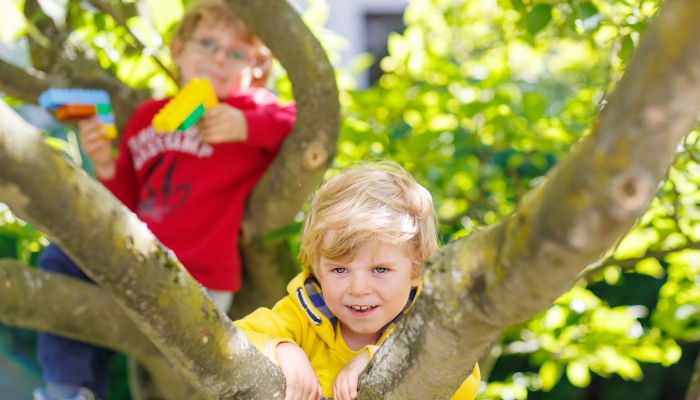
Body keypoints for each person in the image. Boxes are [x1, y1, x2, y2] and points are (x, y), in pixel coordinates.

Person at [34, 0, 296, 398]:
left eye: (236, 54)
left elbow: (300, 126)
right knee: (62, 256)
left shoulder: (249, 108)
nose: (218, 59)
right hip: (134, 256)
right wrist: (104, 164)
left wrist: (245, 124)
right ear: (179, 49)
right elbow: (125, 201)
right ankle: (70, 390)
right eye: (206, 44)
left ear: (257, 72)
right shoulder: (147, 117)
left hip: (198, 275)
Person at [234, 161, 481, 400]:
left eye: (380, 269)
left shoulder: (427, 321)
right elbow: (233, 339)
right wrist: (282, 350)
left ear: (416, 269)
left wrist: (382, 361)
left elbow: (463, 381)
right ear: (316, 268)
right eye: (340, 270)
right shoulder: (304, 312)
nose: (358, 289)